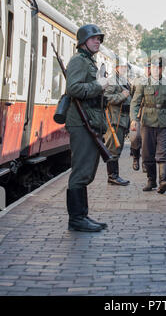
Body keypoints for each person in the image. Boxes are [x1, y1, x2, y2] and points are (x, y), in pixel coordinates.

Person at [65, 24, 108, 232]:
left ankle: (82, 215)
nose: (97, 41)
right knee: (81, 171)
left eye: (99, 39)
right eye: (93, 39)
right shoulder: (78, 61)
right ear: (83, 42)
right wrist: (99, 86)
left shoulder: (89, 62)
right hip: (81, 123)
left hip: (89, 121)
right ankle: (76, 219)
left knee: (87, 171)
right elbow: (73, 88)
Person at [130, 55, 166, 194]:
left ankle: (163, 181)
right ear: (150, 68)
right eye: (154, 67)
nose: (156, 69)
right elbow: (135, 102)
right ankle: (151, 181)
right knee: (147, 154)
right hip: (147, 122)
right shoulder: (144, 83)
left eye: (159, 67)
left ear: (163, 68)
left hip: (164, 123)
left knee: (163, 152)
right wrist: (134, 119)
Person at [104, 56, 131, 186]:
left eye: (126, 67)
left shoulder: (123, 80)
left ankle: (115, 175)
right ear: (116, 68)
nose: (124, 69)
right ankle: (112, 176)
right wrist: (122, 95)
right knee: (113, 149)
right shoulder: (113, 80)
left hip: (123, 120)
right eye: (122, 67)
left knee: (117, 150)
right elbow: (107, 97)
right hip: (114, 120)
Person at [129, 58, 151, 172]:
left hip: (149, 114)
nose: (148, 70)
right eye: (147, 67)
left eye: (150, 67)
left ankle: (145, 162)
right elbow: (132, 96)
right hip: (138, 113)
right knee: (135, 137)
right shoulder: (137, 81)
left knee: (146, 140)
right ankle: (136, 158)